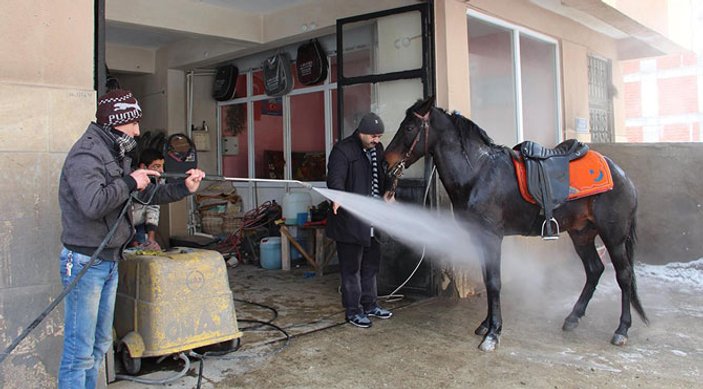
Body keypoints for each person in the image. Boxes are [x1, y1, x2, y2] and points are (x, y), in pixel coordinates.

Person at [57, 89, 205, 388]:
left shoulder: (115, 152)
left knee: (99, 347)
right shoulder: (87, 154)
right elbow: (93, 204)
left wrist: (185, 188)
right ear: (117, 121)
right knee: (79, 353)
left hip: (109, 260)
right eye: (133, 123)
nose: (138, 131)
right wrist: (129, 180)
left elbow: (146, 193)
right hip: (86, 262)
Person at [326, 112, 395, 328]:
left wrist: (389, 191)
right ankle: (353, 311)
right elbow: (335, 177)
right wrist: (338, 196)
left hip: (373, 221)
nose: (377, 140)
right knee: (351, 270)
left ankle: (370, 305)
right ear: (361, 133)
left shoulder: (378, 149)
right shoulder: (343, 150)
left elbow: (383, 175)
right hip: (349, 222)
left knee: (371, 267)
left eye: (379, 136)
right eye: (373, 136)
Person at [130, 148, 165, 250]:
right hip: (123, 225)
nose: (161, 171)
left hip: (140, 223)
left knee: (144, 250)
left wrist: (151, 239)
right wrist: (132, 240)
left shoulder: (159, 180)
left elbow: (153, 207)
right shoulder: (133, 180)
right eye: (157, 166)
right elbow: (126, 212)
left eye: (162, 166)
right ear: (143, 167)